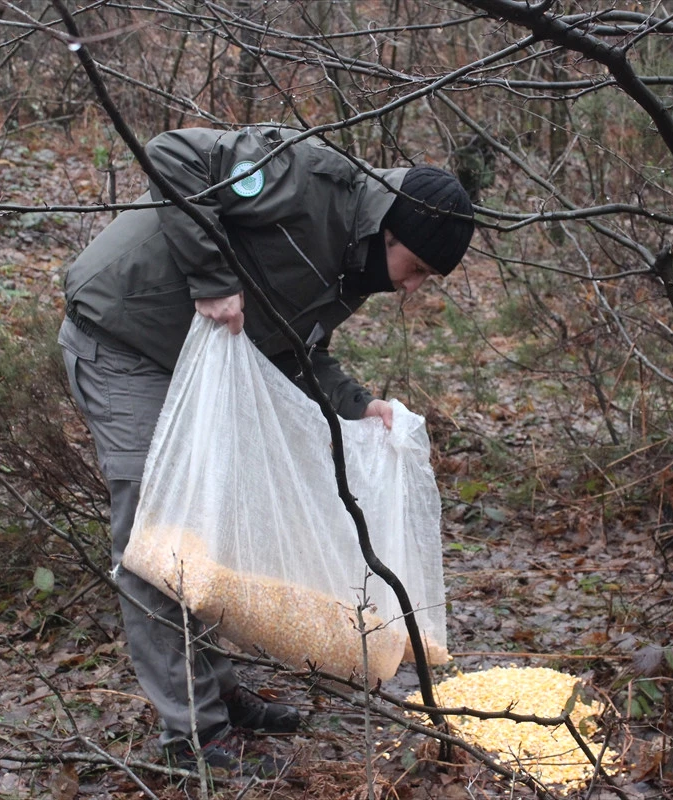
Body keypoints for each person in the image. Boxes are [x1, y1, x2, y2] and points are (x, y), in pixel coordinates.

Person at [57, 125, 474, 775]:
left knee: (204, 528)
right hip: (124, 338)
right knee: (153, 531)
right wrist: (212, 277)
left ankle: (216, 690)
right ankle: (192, 737)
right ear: (392, 230)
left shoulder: (354, 268)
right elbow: (174, 155)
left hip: (195, 365)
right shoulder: (308, 179)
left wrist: (359, 403)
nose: (414, 287)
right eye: (417, 268)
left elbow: (295, 345)